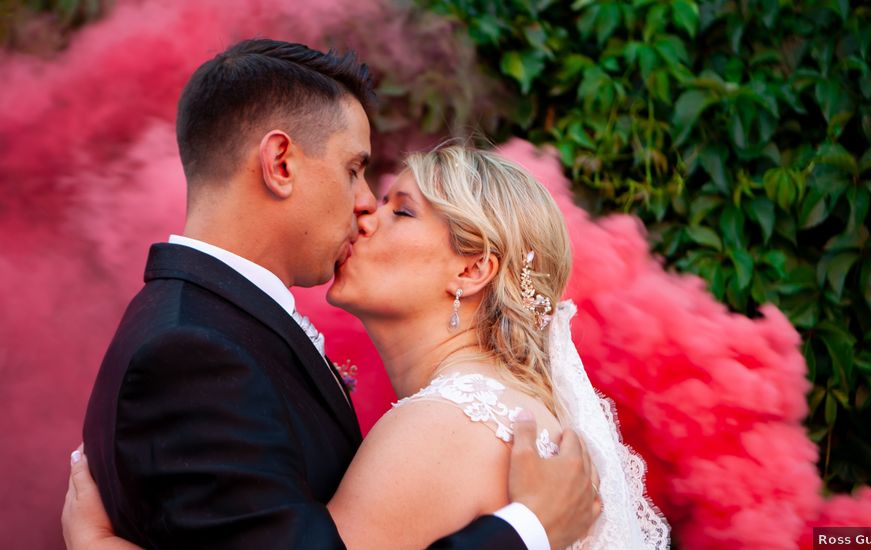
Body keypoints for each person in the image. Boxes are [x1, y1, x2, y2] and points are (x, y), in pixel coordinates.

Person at [75, 38, 599, 550]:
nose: (366, 204)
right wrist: (527, 531)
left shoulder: (447, 418)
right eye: (355, 169)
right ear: (280, 163)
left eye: (402, 209)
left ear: (474, 270)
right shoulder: (190, 352)